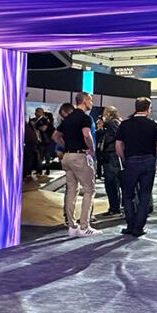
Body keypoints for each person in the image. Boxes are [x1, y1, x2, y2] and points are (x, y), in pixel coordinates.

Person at [53, 94, 101, 237]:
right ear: (84, 101)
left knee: (71, 191)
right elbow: (86, 134)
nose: (92, 102)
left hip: (67, 157)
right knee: (89, 190)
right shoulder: (85, 118)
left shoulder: (68, 119)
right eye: (90, 100)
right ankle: (85, 227)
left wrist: (66, 145)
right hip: (80, 157)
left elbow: (55, 136)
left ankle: (72, 226)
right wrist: (91, 149)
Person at [115, 97, 157, 237]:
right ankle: (138, 228)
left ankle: (130, 226)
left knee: (128, 195)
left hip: (131, 162)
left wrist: (124, 159)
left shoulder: (124, 124)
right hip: (148, 162)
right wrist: (154, 157)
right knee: (145, 195)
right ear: (148, 109)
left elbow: (118, 146)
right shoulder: (154, 125)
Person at [98, 107, 122, 217]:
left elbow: (115, 139)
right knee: (114, 183)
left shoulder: (111, 124)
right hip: (113, 156)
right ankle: (116, 207)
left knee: (111, 183)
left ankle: (114, 208)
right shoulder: (116, 123)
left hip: (111, 156)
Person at [32, 107, 54, 176]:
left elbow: (44, 128)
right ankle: (39, 171)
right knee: (39, 156)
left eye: (37, 111)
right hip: (38, 141)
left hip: (45, 141)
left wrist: (35, 126)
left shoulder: (44, 120)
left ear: (41, 112)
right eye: (36, 111)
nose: (36, 113)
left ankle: (47, 170)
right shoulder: (34, 120)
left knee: (45, 156)